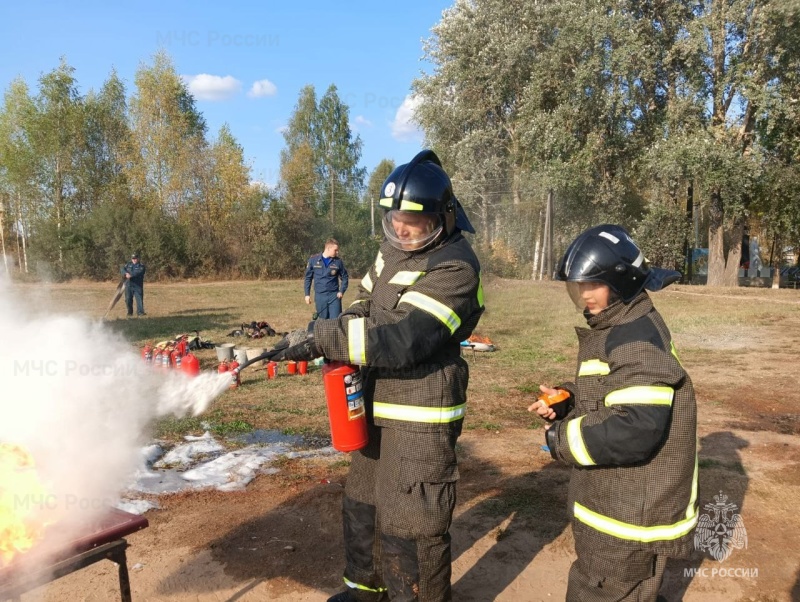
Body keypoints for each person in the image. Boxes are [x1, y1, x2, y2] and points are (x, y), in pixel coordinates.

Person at [270, 150, 485, 601]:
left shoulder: (456, 268)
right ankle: (364, 591)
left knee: (413, 523)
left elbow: (404, 338)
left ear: (443, 219)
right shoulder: (393, 251)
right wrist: (332, 328)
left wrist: (326, 338)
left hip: (420, 414)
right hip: (371, 404)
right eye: (394, 220)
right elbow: (364, 303)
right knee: (362, 505)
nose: (401, 230)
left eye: (413, 221)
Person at [529, 224, 697, 602]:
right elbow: (615, 391)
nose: (584, 295)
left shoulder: (635, 338)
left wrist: (562, 440)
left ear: (622, 282)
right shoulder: (618, 324)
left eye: (592, 285)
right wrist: (569, 399)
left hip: (628, 520)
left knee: (601, 592)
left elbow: (637, 426)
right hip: (615, 507)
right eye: (577, 287)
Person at [305, 238, 349, 319]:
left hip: (334, 296)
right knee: (323, 321)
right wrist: (307, 295)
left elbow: (345, 277)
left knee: (336, 321)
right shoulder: (313, 260)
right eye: (335, 250)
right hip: (320, 296)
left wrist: (341, 291)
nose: (337, 252)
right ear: (328, 248)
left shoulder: (338, 262)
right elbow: (308, 278)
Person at [120, 252, 146, 317]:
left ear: (138, 259)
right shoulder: (128, 265)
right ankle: (130, 312)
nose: (134, 260)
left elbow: (139, 272)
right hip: (128, 285)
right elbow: (122, 269)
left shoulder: (141, 266)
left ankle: (140, 313)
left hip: (137, 285)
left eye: (135, 258)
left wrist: (130, 275)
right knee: (128, 299)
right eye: (133, 258)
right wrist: (126, 273)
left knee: (139, 299)